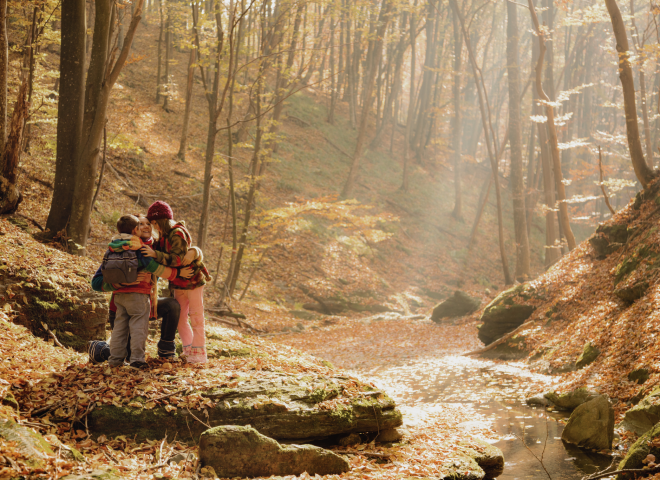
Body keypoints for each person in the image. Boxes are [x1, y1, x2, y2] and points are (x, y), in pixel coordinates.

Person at [88, 215, 195, 363]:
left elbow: (178, 252)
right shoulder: (122, 248)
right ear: (135, 230)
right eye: (141, 224)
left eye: (148, 224)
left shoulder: (157, 249)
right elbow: (96, 282)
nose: (145, 226)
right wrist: (121, 283)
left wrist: (194, 251)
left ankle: (166, 350)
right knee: (128, 353)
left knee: (172, 305)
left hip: (145, 303)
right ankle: (101, 350)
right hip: (119, 308)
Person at [141, 201, 211, 363]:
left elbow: (178, 259)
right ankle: (188, 349)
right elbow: (157, 255)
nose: (154, 227)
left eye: (154, 223)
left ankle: (199, 354)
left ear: (162, 220)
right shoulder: (163, 237)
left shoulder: (177, 233)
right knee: (180, 318)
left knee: (196, 317)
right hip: (178, 282)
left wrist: (155, 255)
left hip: (192, 281)